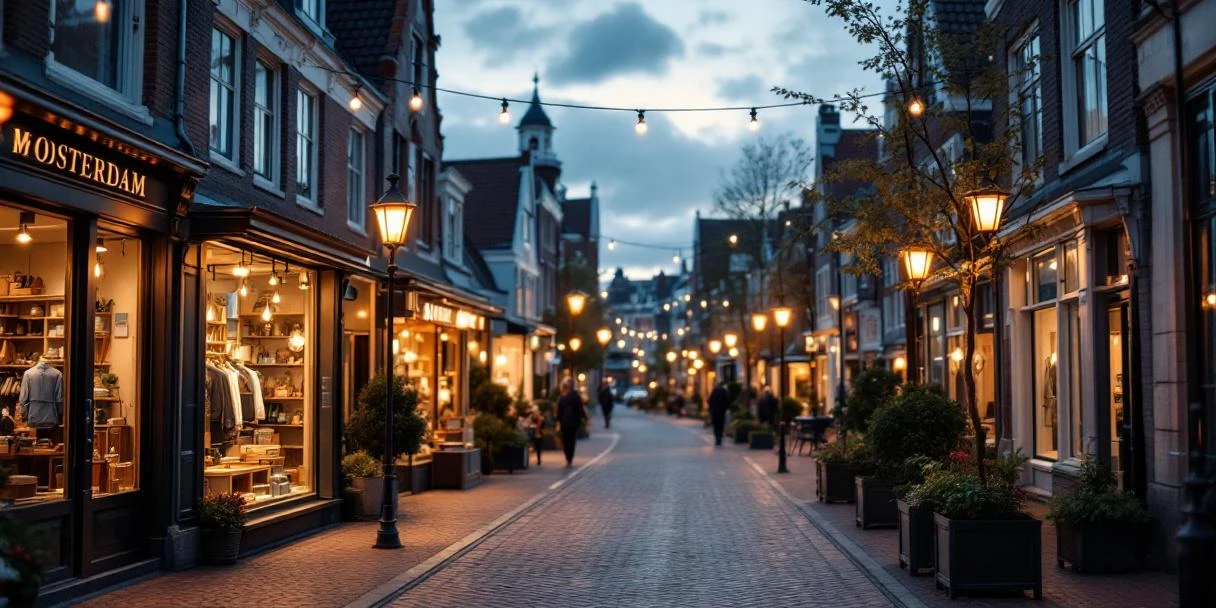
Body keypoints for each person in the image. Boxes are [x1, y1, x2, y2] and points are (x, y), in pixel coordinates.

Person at [556, 378, 587, 467]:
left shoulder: (562, 398)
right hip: (572, 422)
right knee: (571, 441)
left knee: (566, 441)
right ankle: (569, 458)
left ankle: (568, 458)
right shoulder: (575, 396)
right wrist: (583, 418)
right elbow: (580, 409)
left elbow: (559, 411)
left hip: (565, 423)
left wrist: (558, 421)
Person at [708, 381, 730, 446]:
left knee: (715, 425)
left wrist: (710, 409)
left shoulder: (714, 391)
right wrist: (727, 408)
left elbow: (710, 400)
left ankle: (717, 439)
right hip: (721, 411)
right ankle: (719, 438)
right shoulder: (724, 392)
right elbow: (727, 401)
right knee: (721, 425)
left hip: (714, 411)